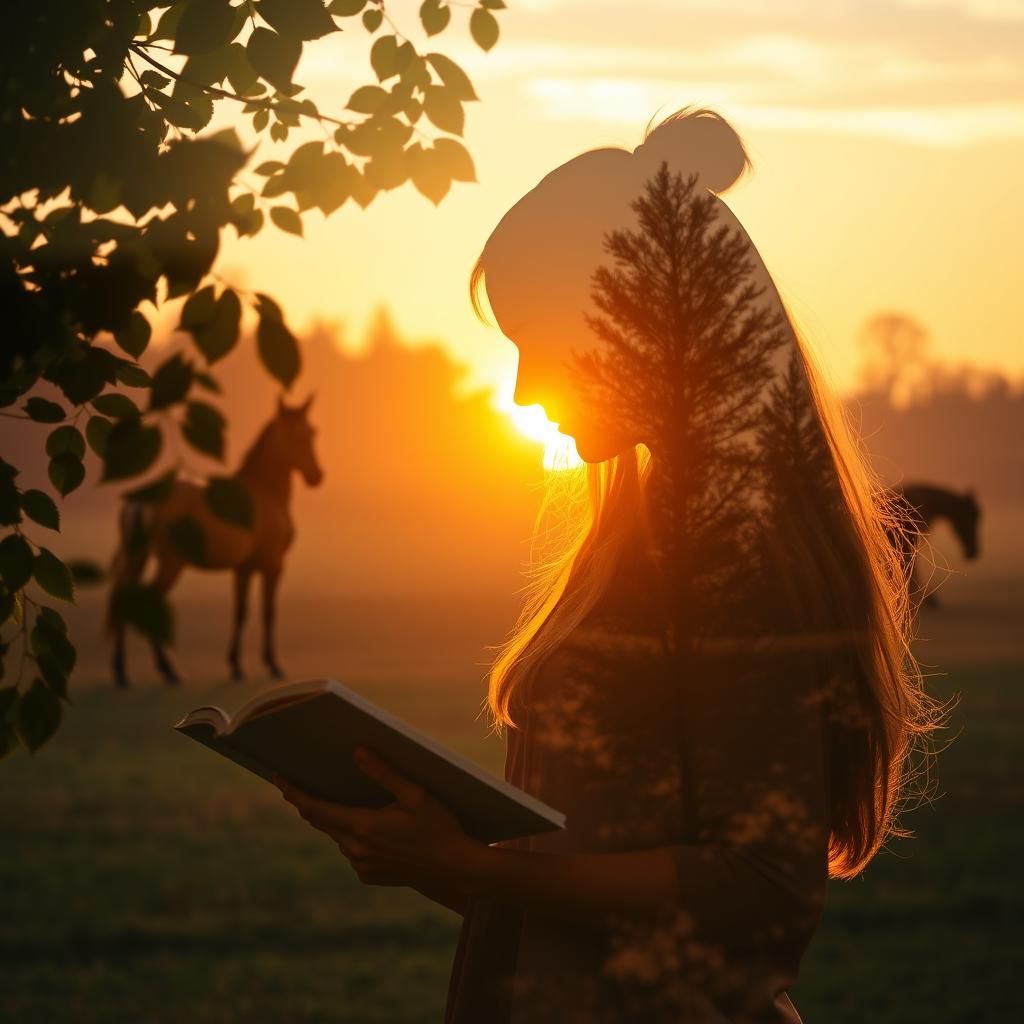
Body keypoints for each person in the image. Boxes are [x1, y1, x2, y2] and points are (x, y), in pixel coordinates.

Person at [274, 108, 940, 1022]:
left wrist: (476, 867)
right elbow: (591, 902)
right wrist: (430, 857)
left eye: (538, 340)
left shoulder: (734, 548)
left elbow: (760, 889)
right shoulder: (645, 531)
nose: (523, 389)